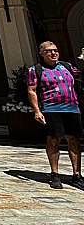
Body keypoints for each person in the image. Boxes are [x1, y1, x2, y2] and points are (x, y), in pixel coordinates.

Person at [28, 40, 84, 190]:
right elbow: (32, 90)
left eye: (55, 50)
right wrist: (37, 111)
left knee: (74, 140)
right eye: (49, 51)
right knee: (53, 140)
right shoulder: (35, 70)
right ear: (42, 54)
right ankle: (55, 174)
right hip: (51, 109)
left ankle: (77, 175)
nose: (53, 53)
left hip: (72, 108)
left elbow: (80, 77)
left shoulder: (67, 66)